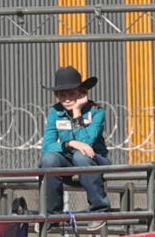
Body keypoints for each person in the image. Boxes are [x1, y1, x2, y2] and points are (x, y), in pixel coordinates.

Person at [40, 65, 111, 216]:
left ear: (82, 93)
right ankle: (53, 214)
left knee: (81, 156)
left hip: (94, 159)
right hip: (68, 158)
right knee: (49, 159)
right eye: (61, 95)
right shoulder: (55, 112)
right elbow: (47, 146)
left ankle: (99, 210)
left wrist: (77, 112)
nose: (66, 99)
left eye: (71, 94)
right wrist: (69, 143)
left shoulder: (97, 112)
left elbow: (88, 143)